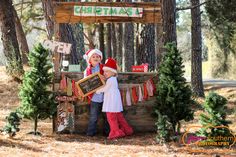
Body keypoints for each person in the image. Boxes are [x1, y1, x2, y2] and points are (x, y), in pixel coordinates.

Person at [96, 58, 133, 140]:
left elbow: (105, 88)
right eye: (104, 71)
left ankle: (116, 132)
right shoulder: (113, 79)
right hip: (114, 101)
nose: (104, 73)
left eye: (107, 71)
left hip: (111, 102)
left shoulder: (111, 80)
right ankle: (127, 129)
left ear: (113, 72)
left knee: (111, 117)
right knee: (119, 117)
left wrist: (97, 91)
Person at [83, 49, 109, 136]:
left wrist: (104, 78)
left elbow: (109, 76)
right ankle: (91, 132)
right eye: (93, 57)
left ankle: (107, 132)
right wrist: (92, 79)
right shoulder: (87, 70)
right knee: (93, 116)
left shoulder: (103, 68)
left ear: (100, 58)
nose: (95, 58)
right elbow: (86, 82)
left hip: (105, 96)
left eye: (97, 56)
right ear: (89, 59)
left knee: (107, 115)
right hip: (94, 97)